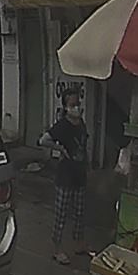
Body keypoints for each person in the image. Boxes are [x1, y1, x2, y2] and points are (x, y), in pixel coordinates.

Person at [39, 87, 90, 265]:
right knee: (61, 215)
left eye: (78, 103)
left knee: (79, 213)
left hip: (80, 175)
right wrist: (60, 148)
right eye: (72, 104)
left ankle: (79, 244)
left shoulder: (81, 123)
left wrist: (87, 166)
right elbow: (43, 140)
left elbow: (83, 145)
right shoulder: (62, 126)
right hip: (65, 176)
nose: (76, 107)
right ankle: (57, 249)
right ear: (66, 107)